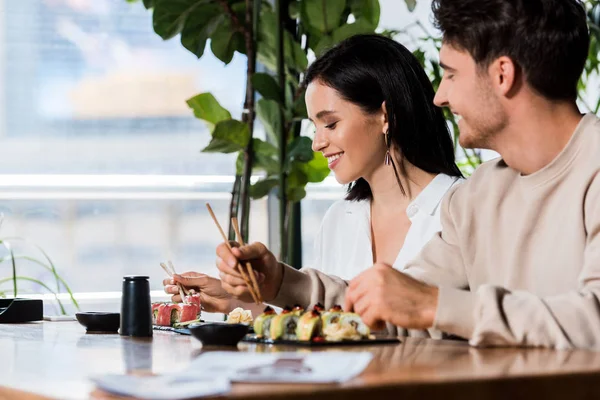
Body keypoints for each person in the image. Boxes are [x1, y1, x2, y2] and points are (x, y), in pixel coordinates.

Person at [216, 0, 600, 349]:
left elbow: (593, 322)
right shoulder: (479, 195)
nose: (439, 97)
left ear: (502, 74)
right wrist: (282, 282)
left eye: (450, 74)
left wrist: (435, 305)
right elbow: (395, 302)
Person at [163, 34, 463, 314]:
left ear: (385, 115)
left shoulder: (464, 210)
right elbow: (324, 321)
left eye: (330, 124)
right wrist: (239, 299)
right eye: (314, 127)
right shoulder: (339, 219)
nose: (318, 143)